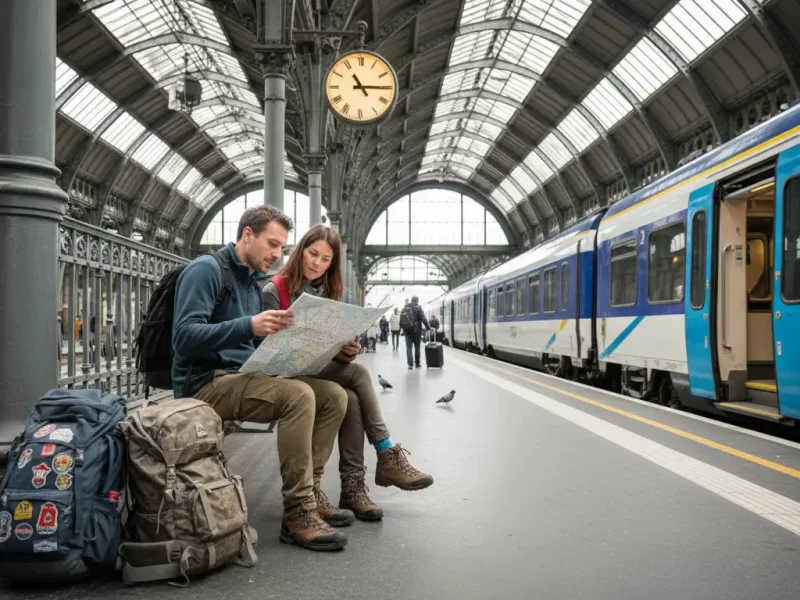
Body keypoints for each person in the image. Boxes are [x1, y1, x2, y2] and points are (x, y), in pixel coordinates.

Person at [172, 205, 350, 552]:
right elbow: (183, 337)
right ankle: (298, 512)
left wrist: (306, 344)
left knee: (333, 396)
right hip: (207, 383)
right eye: (272, 244)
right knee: (298, 395)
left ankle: (311, 493)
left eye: (282, 248)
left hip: (244, 376)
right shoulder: (206, 270)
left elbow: (257, 345)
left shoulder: (252, 285)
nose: (277, 254)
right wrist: (248, 325)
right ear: (247, 235)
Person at [262, 225, 433, 522]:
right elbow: (267, 350)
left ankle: (353, 490)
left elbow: (327, 347)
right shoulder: (274, 290)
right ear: (301, 250)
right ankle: (385, 454)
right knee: (358, 375)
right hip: (282, 375)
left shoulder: (328, 293)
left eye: (325, 259)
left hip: (314, 369)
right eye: (312, 253)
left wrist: (344, 349)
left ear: (332, 264)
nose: (317, 263)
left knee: (351, 397)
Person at [401, 296, 430, 369]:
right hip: (417, 331)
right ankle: (417, 363)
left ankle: (410, 364)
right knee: (417, 347)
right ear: (417, 301)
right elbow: (423, 318)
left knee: (409, 348)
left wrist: (403, 329)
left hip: (407, 331)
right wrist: (428, 327)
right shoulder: (418, 308)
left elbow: (401, 321)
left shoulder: (405, 308)